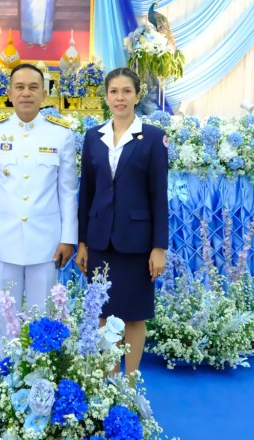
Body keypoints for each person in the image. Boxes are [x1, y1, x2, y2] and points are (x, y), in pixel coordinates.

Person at [0, 63, 78, 360]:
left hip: (45, 241)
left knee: (42, 313)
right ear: (9, 93)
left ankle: (40, 372)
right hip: (2, 241)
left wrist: (68, 238)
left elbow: (68, 192)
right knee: (5, 313)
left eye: (34, 87)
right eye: (19, 87)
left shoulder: (60, 135)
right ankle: (6, 371)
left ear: (45, 94)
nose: (26, 93)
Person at [75, 67, 168, 376]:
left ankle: (129, 383)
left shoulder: (152, 137)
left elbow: (159, 194)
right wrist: (83, 243)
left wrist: (159, 247)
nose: (120, 97)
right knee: (104, 313)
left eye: (127, 91)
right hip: (100, 240)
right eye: (114, 91)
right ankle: (110, 380)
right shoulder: (93, 137)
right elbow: (87, 193)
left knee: (134, 316)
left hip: (137, 242)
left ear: (137, 96)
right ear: (105, 96)